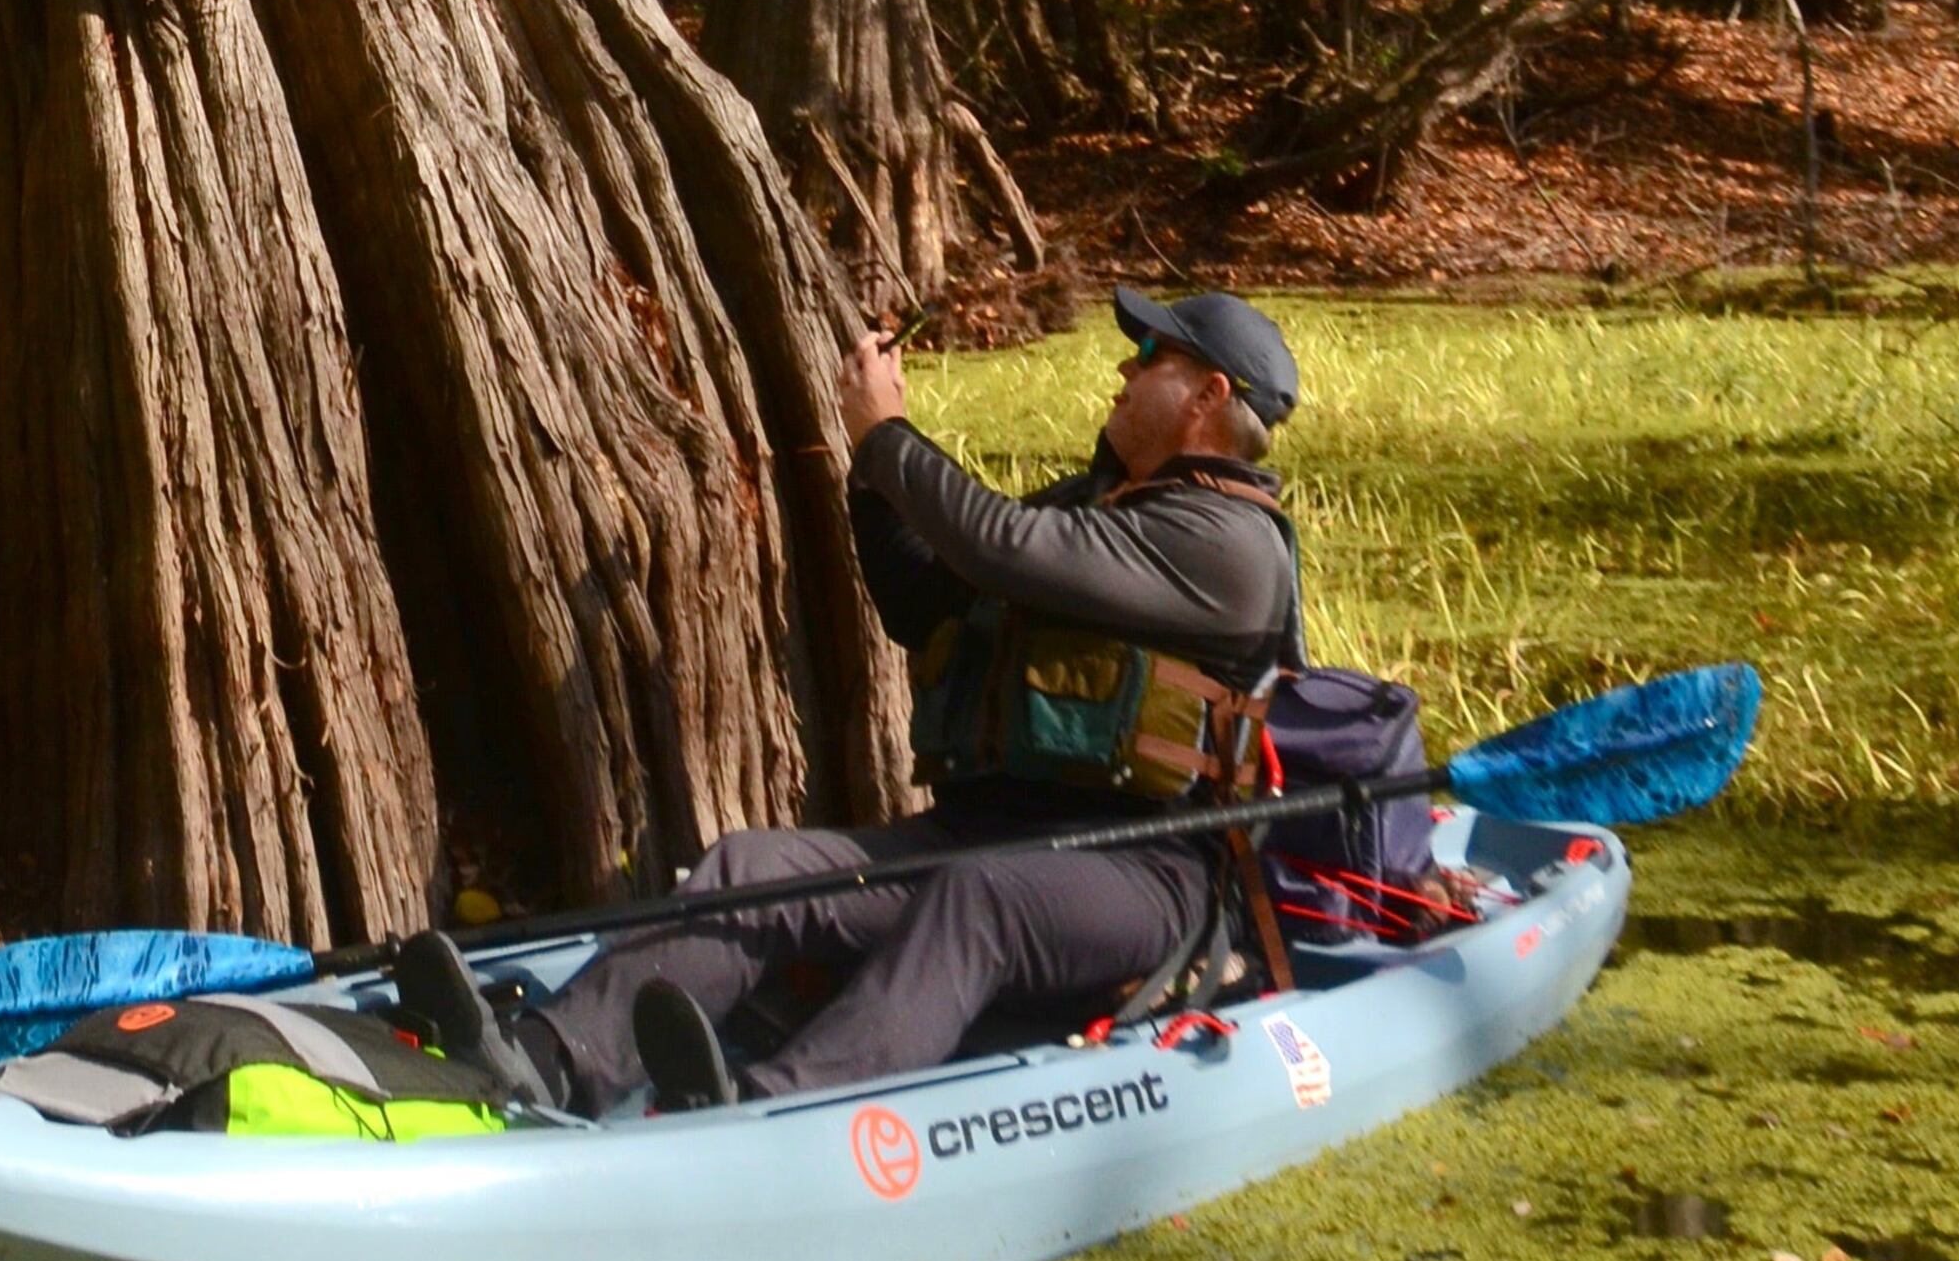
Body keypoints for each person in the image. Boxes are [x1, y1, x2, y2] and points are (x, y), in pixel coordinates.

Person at [398, 283, 1304, 1115]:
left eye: (1149, 357)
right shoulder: (1110, 509)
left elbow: (1002, 545)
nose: (1124, 368)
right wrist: (873, 477)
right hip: (989, 838)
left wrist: (888, 437)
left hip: (1145, 871)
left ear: (1207, 395)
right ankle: (544, 1062)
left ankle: (769, 1113)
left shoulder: (1228, 546)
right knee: (754, 866)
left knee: (978, 896)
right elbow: (923, 601)